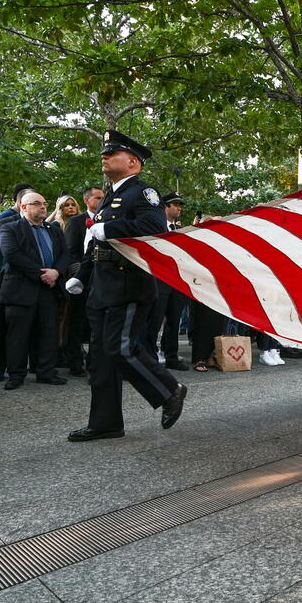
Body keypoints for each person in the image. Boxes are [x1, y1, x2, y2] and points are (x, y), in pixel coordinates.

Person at [65, 130, 187, 441]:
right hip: (102, 285)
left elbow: (153, 228)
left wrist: (109, 229)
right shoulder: (109, 198)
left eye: (112, 153)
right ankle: (106, 422)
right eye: (104, 152)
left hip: (128, 283)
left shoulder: (144, 193)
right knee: (100, 359)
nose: (104, 156)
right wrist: (82, 274)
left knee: (120, 348)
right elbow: (96, 244)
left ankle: (169, 390)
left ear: (133, 162)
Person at [0, 191, 70, 390]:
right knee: (18, 335)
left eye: (44, 203)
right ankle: (16, 375)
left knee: (48, 333)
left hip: (49, 289)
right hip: (20, 289)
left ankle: (46, 372)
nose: (43, 207)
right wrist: (42, 274)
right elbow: (12, 255)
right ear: (24, 207)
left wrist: (56, 272)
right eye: (37, 203)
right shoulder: (9, 227)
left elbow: (65, 254)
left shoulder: (54, 230)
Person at [0, 183, 34, 382]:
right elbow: (5, 251)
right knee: (2, 325)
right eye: (33, 201)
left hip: (23, 279)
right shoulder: (5, 219)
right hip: (4, 278)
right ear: (22, 202)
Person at [144, 192, 192, 370]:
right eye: (175, 205)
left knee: (174, 320)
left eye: (180, 205)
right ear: (165, 207)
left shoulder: (180, 230)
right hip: (158, 280)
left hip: (177, 281)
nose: (179, 208)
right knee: (155, 321)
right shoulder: (153, 227)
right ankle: (149, 355)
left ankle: (171, 355)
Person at [61, 186, 104, 376]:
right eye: (98, 197)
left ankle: (95, 363)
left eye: (103, 197)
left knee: (98, 324)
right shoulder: (76, 222)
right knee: (77, 321)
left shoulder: (108, 220)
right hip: (82, 279)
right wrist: (79, 275)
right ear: (87, 200)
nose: (102, 200)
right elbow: (70, 252)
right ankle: (75, 361)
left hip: (103, 279)